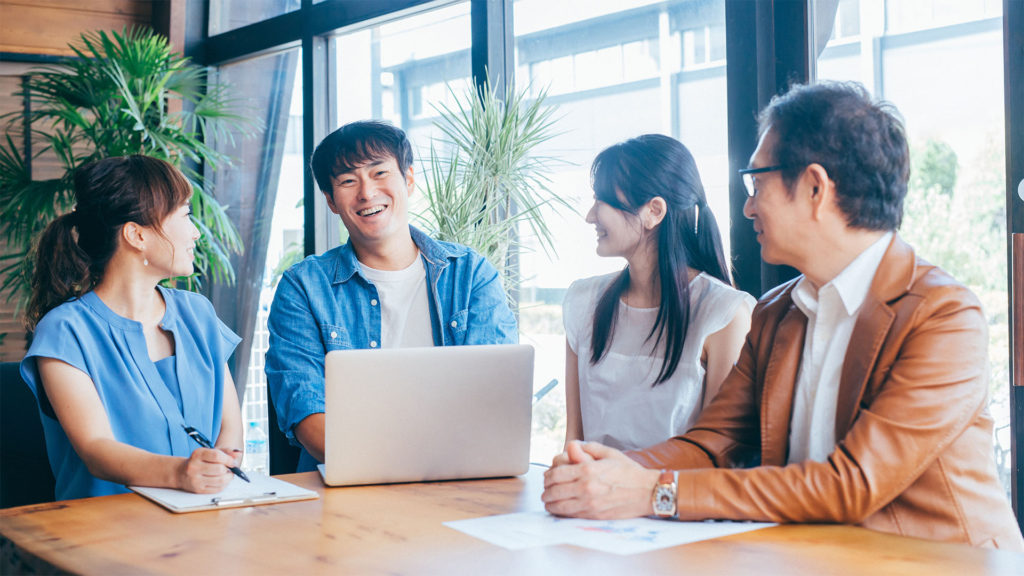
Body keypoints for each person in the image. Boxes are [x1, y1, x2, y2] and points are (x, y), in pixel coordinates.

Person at [541, 82, 1024, 550]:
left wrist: (653, 491)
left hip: (940, 563)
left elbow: (851, 484)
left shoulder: (944, 316)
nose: (748, 206)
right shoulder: (776, 313)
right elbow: (714, 443)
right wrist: (611, 472)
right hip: (812, 557)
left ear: (815, 187)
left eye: (757, 182)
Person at [266, 120, 518, 472]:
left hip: (458, 477)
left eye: (379, 172)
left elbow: (492, 395)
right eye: (348, 181)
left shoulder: (470, 274)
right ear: (331, 201)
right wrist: (403, 465)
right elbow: (305, 410)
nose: (367, 193)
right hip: (347, 488)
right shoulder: (304, 287)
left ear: (409, 180)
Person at [20, 155, 243, 500]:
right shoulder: (64, 331)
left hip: (205, 517)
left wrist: (219, 469)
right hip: (105, 531)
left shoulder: (198, 314)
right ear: (136, 235)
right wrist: (181, 474)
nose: (196, 231)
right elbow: (96, 449)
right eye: (184, 215)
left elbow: (230, 427)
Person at [562, 134, 753, 451]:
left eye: (602, 201)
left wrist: (634, 489)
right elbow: (573, 441)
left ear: (654, 211)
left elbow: (717, 457)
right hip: (589, 495)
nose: (590, 216)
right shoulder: (583, 302)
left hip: (673, 498)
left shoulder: (723, 313)